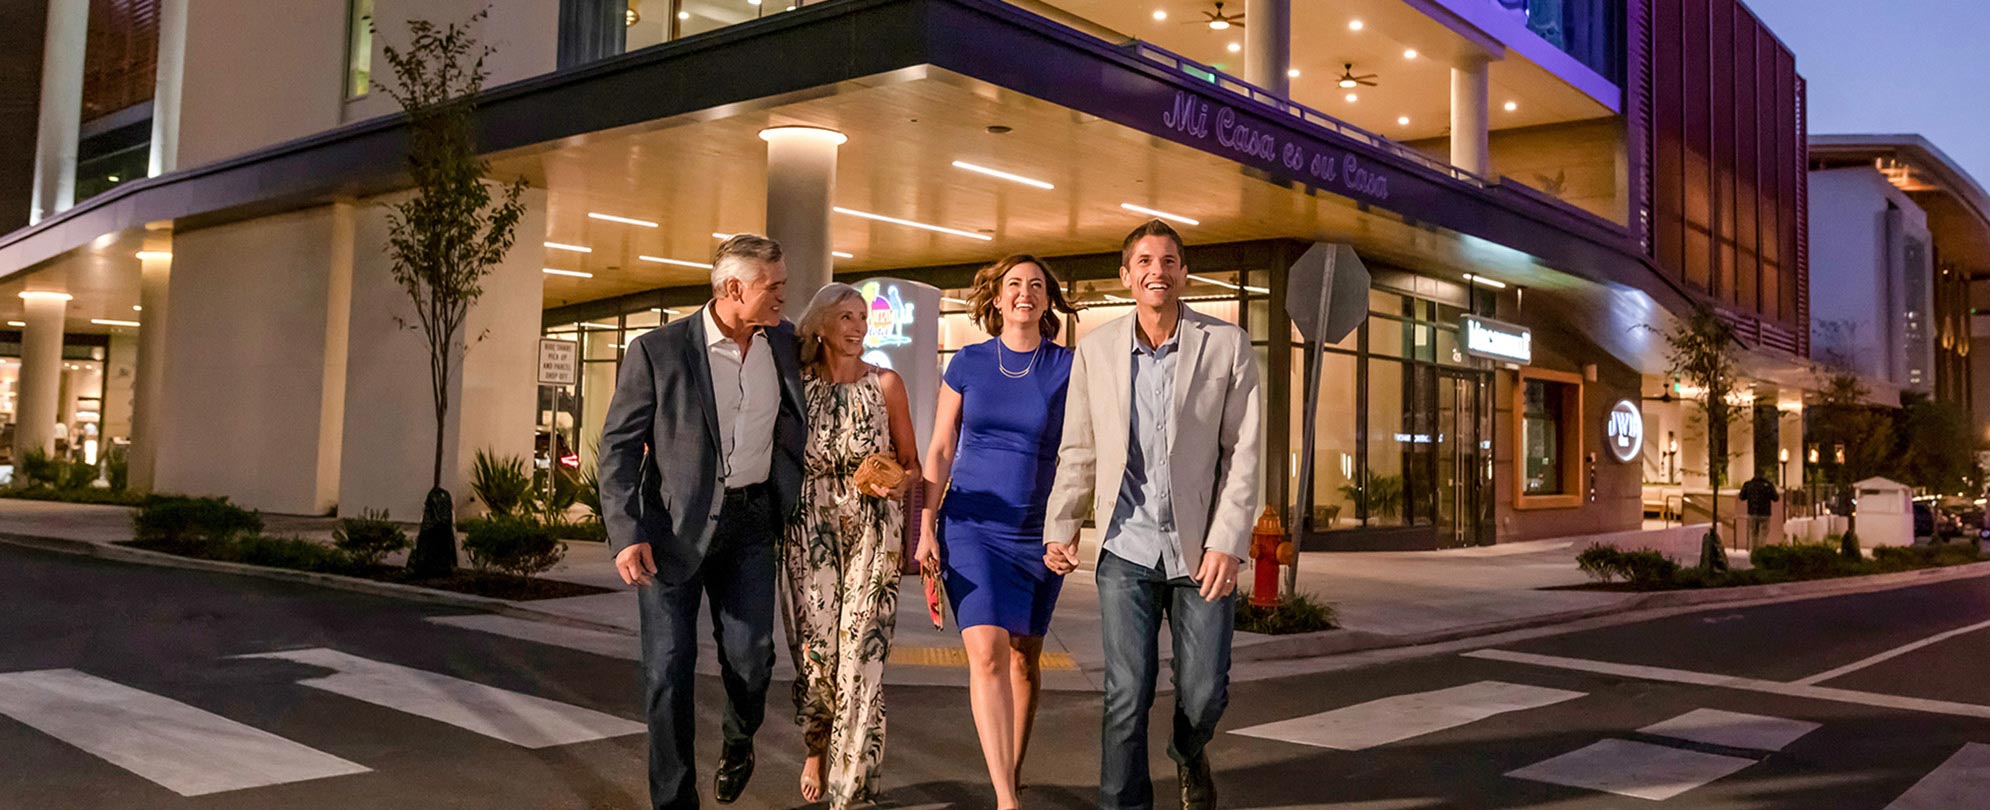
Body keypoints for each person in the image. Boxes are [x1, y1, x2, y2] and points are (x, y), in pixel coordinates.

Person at [1044, 220, 1263, 810]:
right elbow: (1080, 446)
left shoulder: (1225, 344)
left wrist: (1229, 541)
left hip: (1201, 552)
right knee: (1126, 693)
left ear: (1183, 273)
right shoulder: (1095, 351)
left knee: (1204, 693)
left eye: (1168, 260)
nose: (1156, 271)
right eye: (1144, 261)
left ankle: (1190, 751)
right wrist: (1061, 525)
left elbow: (1243, 452)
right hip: (1126, 548)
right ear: (1126, 276)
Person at [598, 234, 804, 809]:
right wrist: (626, 532)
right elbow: (617, 448)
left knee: (753, 658)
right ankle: (674, 802)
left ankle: (739, 739)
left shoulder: (786, 343)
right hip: (671, 532)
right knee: (667, 673)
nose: (785, 294)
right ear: (733, 288)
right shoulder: (657, 351)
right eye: (775, 285)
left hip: (751, 523)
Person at [916, 254, 1080, 809]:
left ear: (1048, 299)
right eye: (1014, 285)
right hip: (970, 523)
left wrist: (1072, 527)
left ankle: (1011, 768)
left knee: (1024, 656)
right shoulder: (968, 361)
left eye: (1036, 285)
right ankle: (1007, 800)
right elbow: (940, 447)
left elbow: (1084, 451)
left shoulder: (1069, 366)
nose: (1024, 294)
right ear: (997, 298)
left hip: (1037, 530)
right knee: (986, 651)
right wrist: (926, 525)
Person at [785, 283, 921, 809]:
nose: (858, 326)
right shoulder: (799, 386)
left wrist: (897, 481)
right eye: (846, 316)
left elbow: (913, 464)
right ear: (820, 325)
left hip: (872, 530)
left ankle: (853, 789)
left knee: (862, 652)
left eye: (863, 317)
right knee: (819, 655)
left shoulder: (886, 385)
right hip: (810, 528)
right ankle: (817, 746)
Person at [1739, 471, 1779, 549]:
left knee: (1753, 534)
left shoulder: (1748, 484)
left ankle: (1753, 553)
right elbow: (1776, 498)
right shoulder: (1768, 485)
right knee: (1763, 534)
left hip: (1752, 513)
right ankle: (1761, 553)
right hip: (1765, 513)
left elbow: (1742, 497)